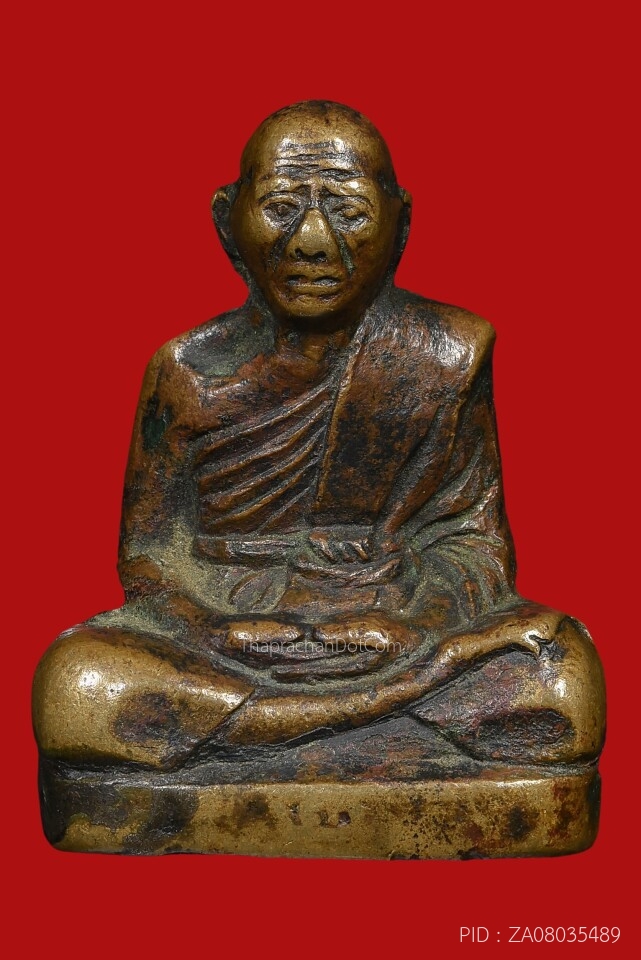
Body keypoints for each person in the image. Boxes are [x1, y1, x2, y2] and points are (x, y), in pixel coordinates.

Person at [33, 101, 604, 777]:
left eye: (349, 211)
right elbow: (150, 557)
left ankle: (270, 730)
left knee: (560, 675)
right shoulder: (186, 372)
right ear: (226, 219)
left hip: (391, 628)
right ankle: (371, 717)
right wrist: (214, 627)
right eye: (280, 208)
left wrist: (414, 625)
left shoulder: (445, 353)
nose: (311, 240)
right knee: (79, 682)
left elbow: (471, 543)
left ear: (400, 223)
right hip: (227, 641)